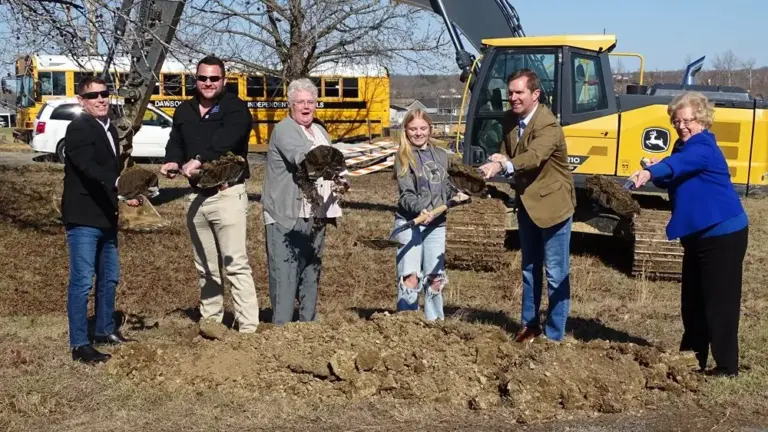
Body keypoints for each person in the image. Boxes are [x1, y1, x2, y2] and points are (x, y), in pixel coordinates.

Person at [629, 91, 748, 377]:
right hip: (697, 235)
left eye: (687, 121)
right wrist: (654, 170)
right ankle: (693, 357)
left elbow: (677, 166)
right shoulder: (683, 147)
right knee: (692, 299)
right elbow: (676, 172)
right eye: (676, 121)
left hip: (722, 233)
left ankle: (726, 366)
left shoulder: (703, 146)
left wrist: (652, 172)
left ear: (703, 120)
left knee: (719, 301)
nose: (681, 126)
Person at [160, 55, 260, 334]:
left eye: (214, 78)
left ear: (223, 80)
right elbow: (176, 143)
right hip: (196, 197)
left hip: (227, 194)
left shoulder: (235, 108)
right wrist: (171, 161)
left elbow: (227, 141)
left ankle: (249, 327)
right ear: (196, 79)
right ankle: (211, 321)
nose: (207, 83)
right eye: (202, 78)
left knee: (235, 263)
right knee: (205, 265)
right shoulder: (184, 110)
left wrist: (200, 160)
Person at [479, 68, 576, 343]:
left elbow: (533, 157)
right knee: (529, 268)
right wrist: (500, 157)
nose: (513, 98)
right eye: (510, 92)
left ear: (535, 94)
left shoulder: (548, 125)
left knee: (556, 273)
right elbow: (512, 152)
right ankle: (529, 326)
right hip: (527, 204)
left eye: (519, 92)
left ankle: (554, 335)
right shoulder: (511, 119)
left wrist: (504, 163)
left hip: (553, 206)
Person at [61, 76, 141, 363]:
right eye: (93, 96)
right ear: (81, 101)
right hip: (83, 218)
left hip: (107, 217)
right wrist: (120, 183)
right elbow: (87, 168)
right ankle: (80, 344)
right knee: (82, 281)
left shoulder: (109, 128)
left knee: (109, 278)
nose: (101, 99)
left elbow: (108, 177)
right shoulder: (78, 127)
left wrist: (125, 194)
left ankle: (105, 330)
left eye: (104, 94)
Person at [262, 78, 346, 325]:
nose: (306, 106)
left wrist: (340, 180)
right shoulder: (285, 129)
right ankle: (283, 330)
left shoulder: (320, 131)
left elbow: (330, 168)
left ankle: (308, 329)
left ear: (316, 104)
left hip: (317, 214)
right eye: (300, 102)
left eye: (310, 101)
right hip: (286, 214)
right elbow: (304, 160)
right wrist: (336, 165)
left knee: (311, 270)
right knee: (285, 275)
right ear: (290, 104)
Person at [393, 108, 464, 321]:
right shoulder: (403, 157)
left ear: (430, 129)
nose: (418, 133)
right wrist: (419, 210)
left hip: (437, 224)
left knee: (435, 278)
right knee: (411, 277)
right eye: (413, 129)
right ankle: (407, 325)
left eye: (423, 128)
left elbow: (447, 185)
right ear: (405, 130)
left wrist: (457, 194)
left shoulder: (442, 156)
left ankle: (435, 325)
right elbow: (406, 194)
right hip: (410, 222)